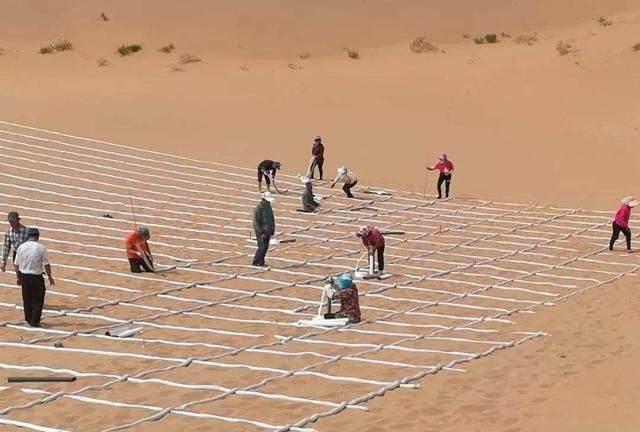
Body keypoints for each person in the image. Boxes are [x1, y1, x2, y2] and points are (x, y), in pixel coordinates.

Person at [14, 227, 54, 327]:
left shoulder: (21, 247)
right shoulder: (41, 248)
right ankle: (35, 321)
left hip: (25, 276)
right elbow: (46, 264)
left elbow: (16, 264)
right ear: (37, 236)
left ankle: (28, 319)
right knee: (38, 300)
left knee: (27, 299)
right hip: (36, 277)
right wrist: (50, 277)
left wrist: (18, 277)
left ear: (28, 236)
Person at [252, 192, 276, 266]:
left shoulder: (269, 207)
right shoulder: (258, 208)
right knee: (261, 247)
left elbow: (272, 218)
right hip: (261, 231)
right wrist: (261, 233)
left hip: (268, 230)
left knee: (266, 247)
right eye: (267, 201)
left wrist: (272, 229)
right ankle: (255, 262)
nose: (269, 203)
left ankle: (261, 261)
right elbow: (256, 222)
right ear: (263, 200)